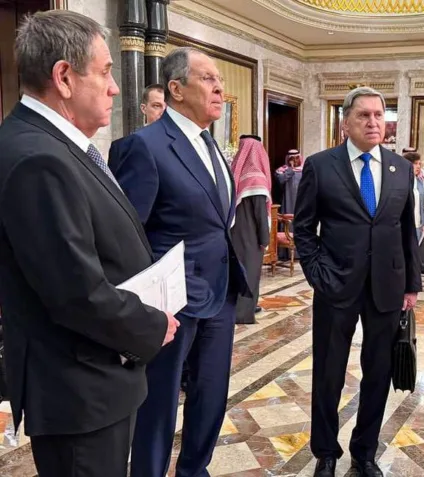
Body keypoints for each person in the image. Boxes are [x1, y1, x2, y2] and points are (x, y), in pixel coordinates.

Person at [0, 11, 177, 477]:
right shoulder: (37, 158)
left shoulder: (58, 145)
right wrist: (151, 324)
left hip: (99, 377)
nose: (115, 88)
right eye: (104, 72)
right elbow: (76, 293)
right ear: (64, 77)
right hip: (79, 389)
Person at [108, 47, 246, 477]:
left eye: (219, 80)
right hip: (170, 302)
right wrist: (142, 305)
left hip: (220, 294)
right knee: (158, 405)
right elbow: (127, 235)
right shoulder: (144, 146)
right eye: (207, 79)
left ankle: (194, 470)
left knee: (211, 396)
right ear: (176, 89)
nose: (219, 88)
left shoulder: (211, 144)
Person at [294, 86, 421, 477]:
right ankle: (326, 452)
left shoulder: (400, 168)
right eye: (363, 115)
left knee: (378, 372)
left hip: (387, 286)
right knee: (329, 371)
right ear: (345, 122)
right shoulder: (321, 165)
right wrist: (317, 273)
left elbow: (407, 229)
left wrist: (411, 284)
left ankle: (365, 452)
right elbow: (303, 228)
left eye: (379, 115)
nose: (373, 122)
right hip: (335, 286)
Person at [230, 136, 272, 324]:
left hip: (235, 233)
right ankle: (243, 313)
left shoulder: (237, 174)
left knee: (239, 272)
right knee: (250, 272)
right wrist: (265, 239)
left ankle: (243, 307)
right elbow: (260, 213)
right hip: (251, 236)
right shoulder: (256, 178)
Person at [403, 146, 424, 275]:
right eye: (415, 164)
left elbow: (422, 203)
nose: (418, 166)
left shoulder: (421, 181)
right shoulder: (402, 180)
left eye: (420, 164)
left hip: (418, 222)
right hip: (405, 222)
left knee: (415, 252)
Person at [276, 149, 304, 218]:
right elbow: (281, 180)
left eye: (297, 158)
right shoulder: (281, 171)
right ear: (288, 159)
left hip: (301, 200)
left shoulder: (304, 170)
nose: (295, 160)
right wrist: (291, 169)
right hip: (288, 201)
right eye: (292, 158)